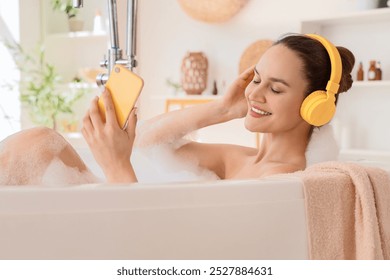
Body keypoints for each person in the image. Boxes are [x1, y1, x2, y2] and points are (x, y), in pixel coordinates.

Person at [0, 33, 355, 186]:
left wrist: (116, 168)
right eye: (256, 79)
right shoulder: (243, 160)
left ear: (316, 106)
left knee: (37, 144)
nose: (255, 93)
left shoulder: (283, 180)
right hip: (112, 213)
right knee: (38, 142)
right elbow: (149, 144)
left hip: (124, 235)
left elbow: (166, 249)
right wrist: (220, 109)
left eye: (276, 88)